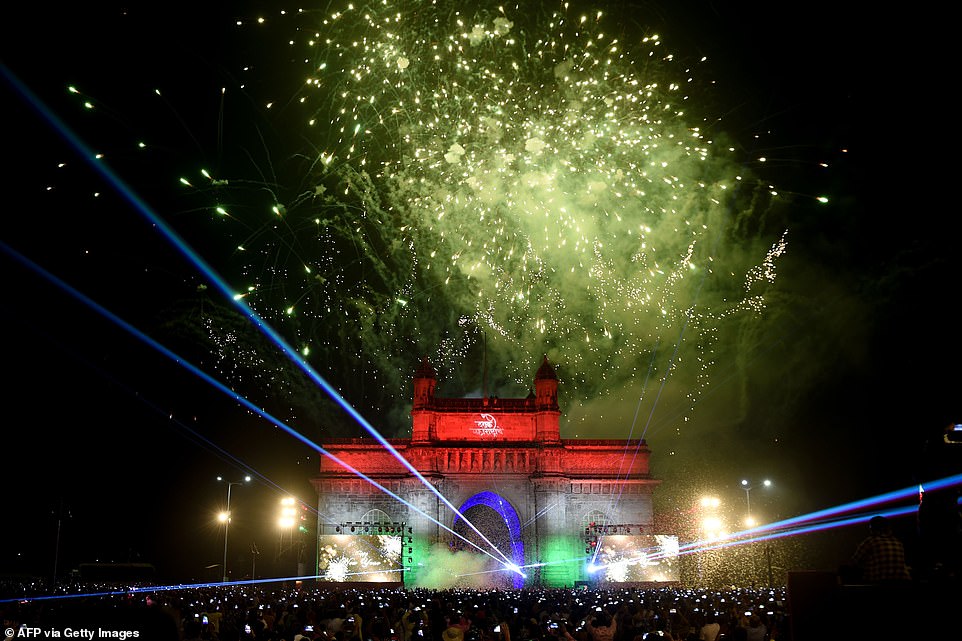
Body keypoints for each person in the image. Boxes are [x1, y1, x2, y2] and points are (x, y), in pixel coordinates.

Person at [849, 515, 911, 583]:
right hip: (903, 584)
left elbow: (854, 562)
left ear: (873, 528)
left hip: (879, 583)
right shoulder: (898, 542)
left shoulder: (871, 541)